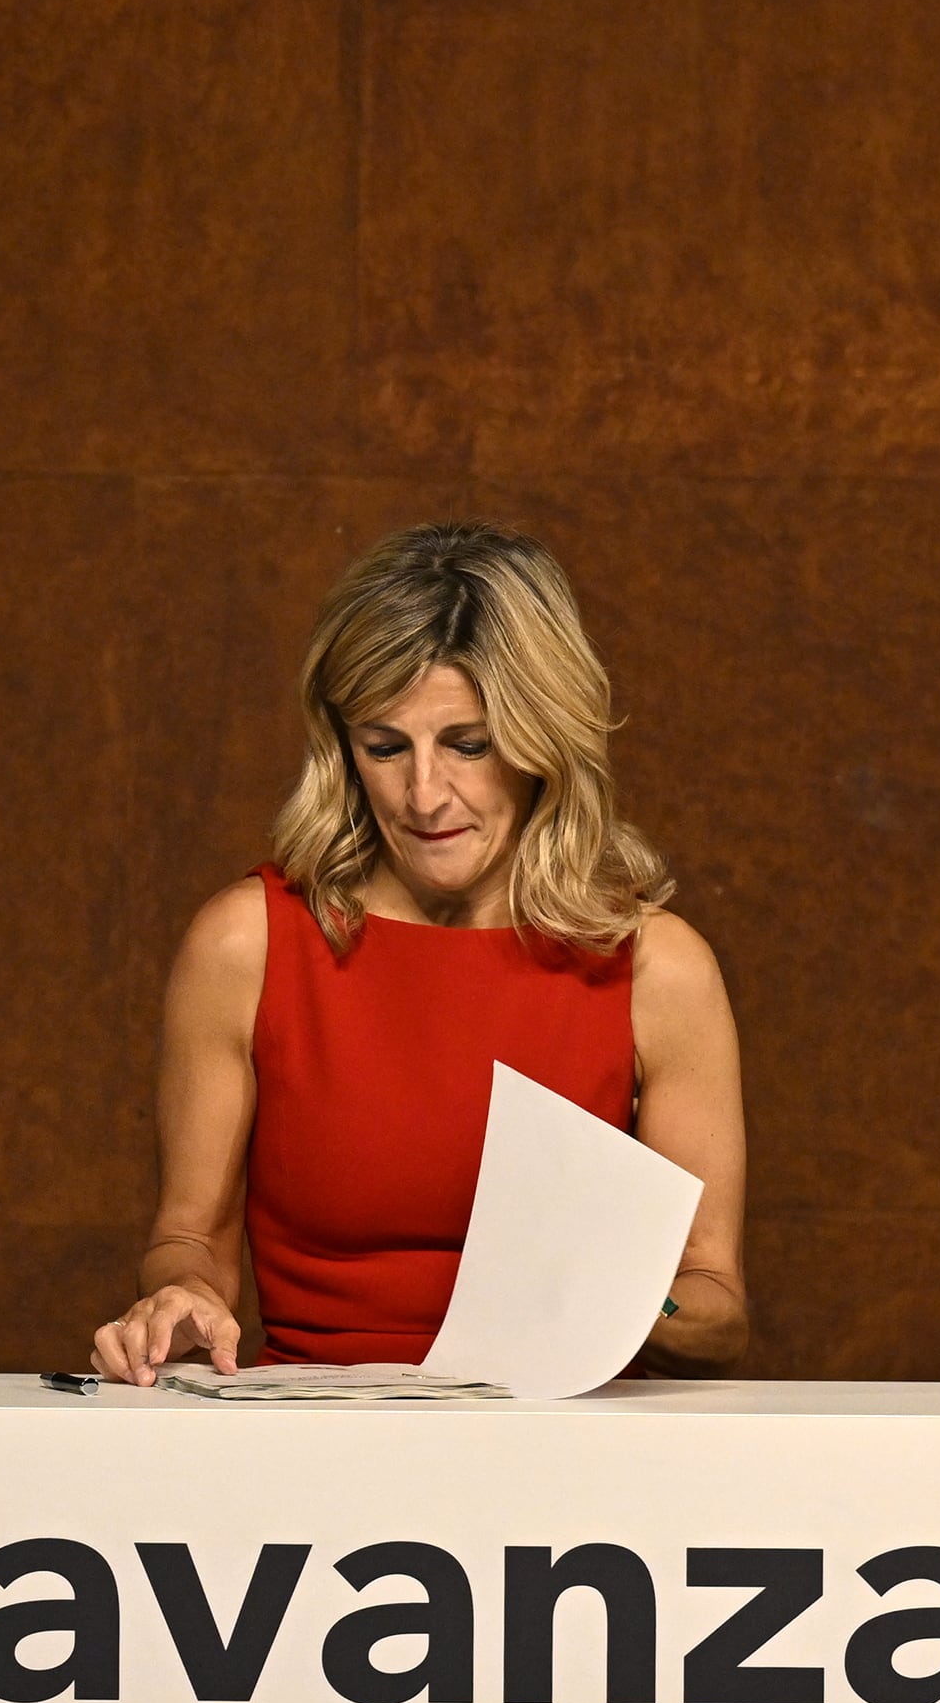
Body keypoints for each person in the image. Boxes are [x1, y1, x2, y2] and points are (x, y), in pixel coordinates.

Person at [91, 521, 745, 1385]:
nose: (424, 794)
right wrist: (176, 1297)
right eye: (385, 746)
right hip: (317, 1446)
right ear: (342, 747)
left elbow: (716, 1307)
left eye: (468, 745)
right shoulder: (246, 943)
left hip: (568, 1455)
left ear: (542, 741)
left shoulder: (658, 968)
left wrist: (620, 1291)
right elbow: (189, 1238)